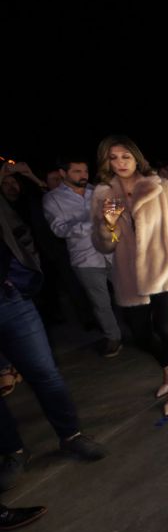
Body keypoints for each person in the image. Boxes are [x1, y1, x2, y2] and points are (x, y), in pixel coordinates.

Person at [1, 195, 107, 493]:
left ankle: (72, 436)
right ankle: (13, 453)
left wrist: (19, 279)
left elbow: (19, 233)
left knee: (45, 374)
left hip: (11, 301)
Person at [91, 135, 168, 416]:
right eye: (113, 158)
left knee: (166, 328)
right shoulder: (103, 193)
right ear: (106, 161)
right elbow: (103, 244)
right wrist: (108, 225)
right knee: (139, 334)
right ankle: (166, 368)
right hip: (129, 274)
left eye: (125, 156)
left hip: (164, 269)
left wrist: (167, 247)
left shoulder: (159, 186)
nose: (120, 163)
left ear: (136, 157)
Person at [42, 156, 123, 356]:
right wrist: (95, 224)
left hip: (113, 252)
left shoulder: (96, 191)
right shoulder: (52, 199)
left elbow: (115, 217)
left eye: (85, 171)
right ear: (63, 173)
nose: (83, 176)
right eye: (77, 172)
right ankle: (113, 337)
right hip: (85, 259)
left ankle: (142, 329)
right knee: (100, 302)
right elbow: (59, 230)